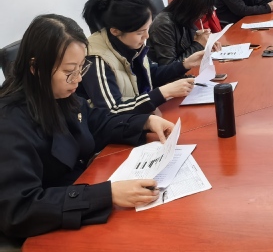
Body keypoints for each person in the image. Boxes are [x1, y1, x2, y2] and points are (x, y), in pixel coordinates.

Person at [0, 15, 175, 242]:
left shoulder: (57, 93)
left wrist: (144, 122)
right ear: (36, 68)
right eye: (69, 72)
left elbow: (95, 122)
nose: (78, 80)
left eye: (81, 68)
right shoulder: (9, 123)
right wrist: (107, 195)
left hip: (79, 193)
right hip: (44, 228)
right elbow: (20, 209)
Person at [79, 0, 200, 114]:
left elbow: (150, 74)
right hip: (120, 124)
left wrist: (184, 64)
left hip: (141, 116)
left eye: (147, 29)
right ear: (115, 31)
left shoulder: (130, 43)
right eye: (140, 32)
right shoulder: (97, 59)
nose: (147, 36)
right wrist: (163, 92)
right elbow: (112, 110)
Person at [148, 0, 222, 66]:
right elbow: (169, 66)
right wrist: (199, 44)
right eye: (203, 10)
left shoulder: (185, 18)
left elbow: (192, 44)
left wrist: (207, 43)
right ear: (191, 6)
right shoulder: (163, 25)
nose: (204, 14)